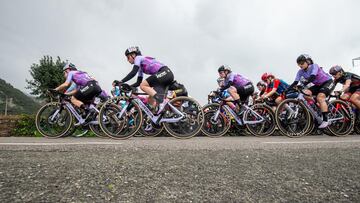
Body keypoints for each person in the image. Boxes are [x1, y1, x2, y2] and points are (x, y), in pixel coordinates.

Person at [288, 54, 333, 128]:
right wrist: (287, 90)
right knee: (304, 93)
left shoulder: (314, 66)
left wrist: (303, 84)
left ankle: (325, 120)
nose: (300, 65)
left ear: (308, 61)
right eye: (299, 63)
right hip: (318, 85)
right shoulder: (300, 71)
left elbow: (312, 77)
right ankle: (317, 106)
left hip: (327, 82)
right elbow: (295, 82)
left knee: (320, 97)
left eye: (302, 63)